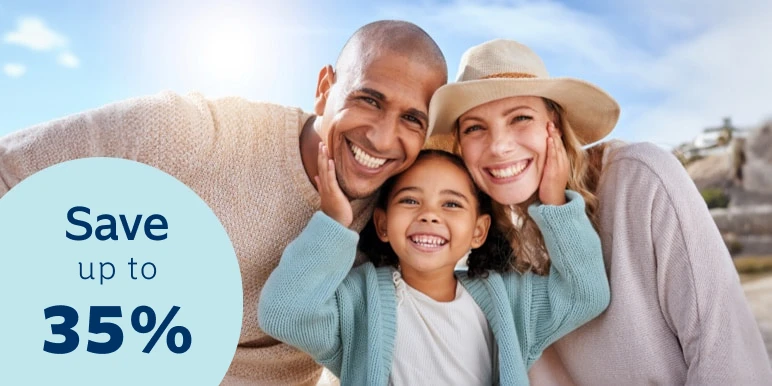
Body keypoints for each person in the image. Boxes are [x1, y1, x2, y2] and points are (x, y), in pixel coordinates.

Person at [0, 20, 447, 385]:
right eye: (368, 99)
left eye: (411, 118)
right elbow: (10, 168)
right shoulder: (191, 133)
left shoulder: (402, 212)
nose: (383, 137)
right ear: (325, 87)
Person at [427, 38, 772, 385]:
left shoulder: (640, 180)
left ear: (556, 125)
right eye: (474, 127)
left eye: (520, 117)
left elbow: (725, 350)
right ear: (460, 145)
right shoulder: (481, 243)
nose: (499, 146)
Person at [258, 146, 610, 385]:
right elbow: (284, 313)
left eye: (452, 205)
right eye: (410, 200)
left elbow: (586, 294)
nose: (429, 215)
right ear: (382, 224)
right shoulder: (357, 303)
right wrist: (334, 222)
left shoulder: (509, 301)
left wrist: (555, 203)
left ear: (478, 231)